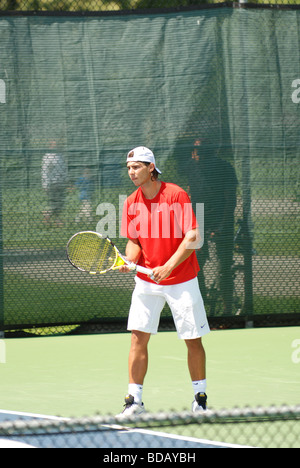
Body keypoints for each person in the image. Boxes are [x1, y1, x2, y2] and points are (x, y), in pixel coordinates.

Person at [118, 146, 210, 416]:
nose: (131, 172)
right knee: (137, 338)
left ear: (151, 168)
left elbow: (193, 236)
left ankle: (200, 398)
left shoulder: (175, 194)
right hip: (147, 281)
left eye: (136, 167)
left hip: (181, 279)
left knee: (192, 339)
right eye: (128, 168)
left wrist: (169, 266)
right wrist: (127, 260)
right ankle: (134, 401)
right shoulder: (131, 202)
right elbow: (134, 242)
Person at [187, 139, 238, 315]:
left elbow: (230, 200)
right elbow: (191, 196)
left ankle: (227, 311)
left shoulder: (225, 168)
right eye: (195, 150)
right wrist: (194, 226)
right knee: (193, 266)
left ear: (212, 152)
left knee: (223, 269)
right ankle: (200, 306)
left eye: (201, 150)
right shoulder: (192, 169)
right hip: (198, 221)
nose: (197, 153)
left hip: (222, 222)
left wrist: (222, 226)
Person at [41, 140, 68, 227]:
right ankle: (54, 218)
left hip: (61, 182)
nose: (56, 146)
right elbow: (45, 172)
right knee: (55, 202)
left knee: (60, 203)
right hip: (52, 183)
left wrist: (66, 181)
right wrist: (45, 184)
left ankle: (49, 215)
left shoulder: (60, 156)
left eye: (57, 144)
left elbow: (64, 170)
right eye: (54, 145)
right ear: (50, 146)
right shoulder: (47, 157)